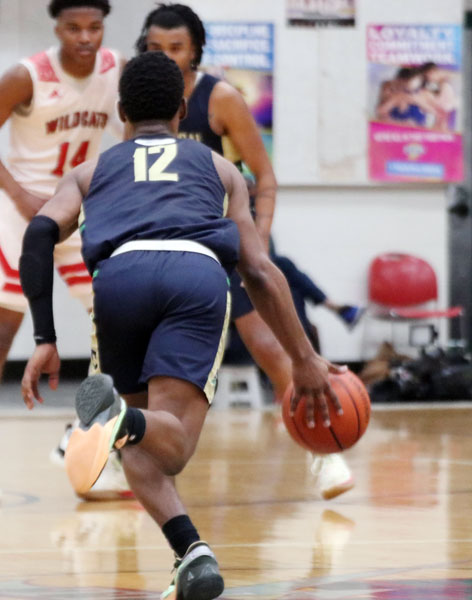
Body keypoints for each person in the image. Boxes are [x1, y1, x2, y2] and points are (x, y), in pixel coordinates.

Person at [19, 51, 344, 600]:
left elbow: (37, 236)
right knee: (170, 444)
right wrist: (305, 360)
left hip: (119, 278)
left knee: (137, 444)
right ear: (181, 109)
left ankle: (191, 553)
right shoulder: (220, 171)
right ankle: (122, 417)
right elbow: (260, 270)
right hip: (193, 276)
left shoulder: (91, 171)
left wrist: (45, 338)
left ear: (120, 110)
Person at [138, 2, 354, 500]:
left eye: (176, 48)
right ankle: (119, 458)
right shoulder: (141, 99)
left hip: (224, 240)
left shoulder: (222, 98)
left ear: (195, 51)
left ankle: (323, 453)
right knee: (136, 356)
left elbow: (265, 174)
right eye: (155, 49)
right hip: (167, 247)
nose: (167, 57)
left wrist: (257, 236)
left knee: (272, 349)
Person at [0, 0, 127, 503]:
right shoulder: (26, 75)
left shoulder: (115, 70)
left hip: (77, 214)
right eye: (74, 27)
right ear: (57, 27)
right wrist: (16, 192)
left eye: (94, 27)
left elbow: (131, 131)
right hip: (26, 217)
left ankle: (79, 432)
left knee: (118, 317)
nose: (85, 37)